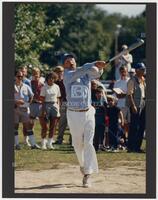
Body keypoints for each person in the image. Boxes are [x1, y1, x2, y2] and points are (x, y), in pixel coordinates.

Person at [63, 53, 107, 187]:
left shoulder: (86, 73)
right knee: (77, 144)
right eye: (67, 60)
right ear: (64, 65)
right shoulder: (67, 75)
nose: (71, 61)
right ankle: (83, 165)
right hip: (73, 113)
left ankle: (87, 174)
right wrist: (94, 62)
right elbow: (82, 70)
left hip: (88, 112)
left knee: (88, 143)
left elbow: (96, 74)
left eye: (72, 59)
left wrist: (100, 67)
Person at [14, 70, 40, 150]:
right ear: (15, 77)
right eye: (18, 76)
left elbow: (31, 95)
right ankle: (17, 144)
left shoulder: (26, 86)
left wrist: (28, 103)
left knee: (28, 126)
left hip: (25, 109)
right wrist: (16, 102)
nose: (20, 78)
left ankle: (33, 144)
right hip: (14, 109)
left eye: (22, 76)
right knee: (15, 127)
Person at [126, 63, 146, 153]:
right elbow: (130, 95)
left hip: (143, 104)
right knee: (134, 127)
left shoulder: (143, 80)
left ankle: (137, 147)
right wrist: (133, 105)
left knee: (141, 126)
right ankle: (130, 147)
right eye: (142, 69)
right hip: (135, 105)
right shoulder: (132, 81)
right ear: (137, 70)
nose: (144, 71)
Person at [39, 72, 61, 150]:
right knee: (45, 127)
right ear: (47, 79)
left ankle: (49, 143)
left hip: (54, 106)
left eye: (53, 78)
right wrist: (44, 110)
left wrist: (58, 107)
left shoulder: (57, 87)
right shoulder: (44, 87)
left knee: (53, 126)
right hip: (46, 105)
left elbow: (58, 98)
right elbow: (42, 99)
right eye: (49, 78)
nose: (51, 79)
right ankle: (43, 143)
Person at [113, 66, 130, 144]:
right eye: (121, 72)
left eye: (124, 71)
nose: (123, 73)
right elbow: (115, 93)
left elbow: (131, 93)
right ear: (120, 72)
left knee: (128, 123)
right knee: (121, 123)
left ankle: (127, 139)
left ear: (127, 72)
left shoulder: (129, 81)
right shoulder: (117, 82)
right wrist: (117, 96)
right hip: (120, 104)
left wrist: (124, 94)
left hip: (128, 104)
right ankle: (122, 139)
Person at [54, 66, 69, 145]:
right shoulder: (54, 82)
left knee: (71, 122)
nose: (60, 73)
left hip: (70, 102)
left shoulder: (67, 80)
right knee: (62, 123)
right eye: (58, 72)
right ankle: (60, 139)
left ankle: (72, 140)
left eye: (61, 71)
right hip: (61, 103)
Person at [92, 87, 107, 152]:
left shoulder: (104, 101)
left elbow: (106, 110)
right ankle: (96, 146)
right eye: (97, 93)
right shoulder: (92, 101)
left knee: (102, 134)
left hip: (102, 120)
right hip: (95, 120)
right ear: (95, 94)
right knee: (96, 134)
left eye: (100, 93)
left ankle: (102, 145)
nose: (99, 95)